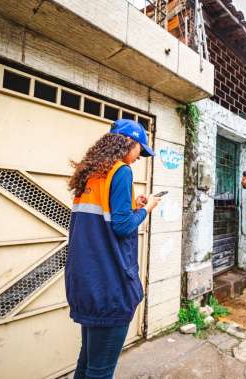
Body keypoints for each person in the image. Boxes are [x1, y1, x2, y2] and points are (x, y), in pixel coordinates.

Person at [65, 119, 160, 379]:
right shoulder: (122, 170)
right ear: (129, 142)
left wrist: (133, 204)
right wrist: (147, 210)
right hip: (109, 285)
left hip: (87, 281)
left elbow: (105, 217)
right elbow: (120, 226)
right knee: (100, 372)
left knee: (87, 362)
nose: (140, 156)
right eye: (141, 148)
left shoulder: (93, 172)